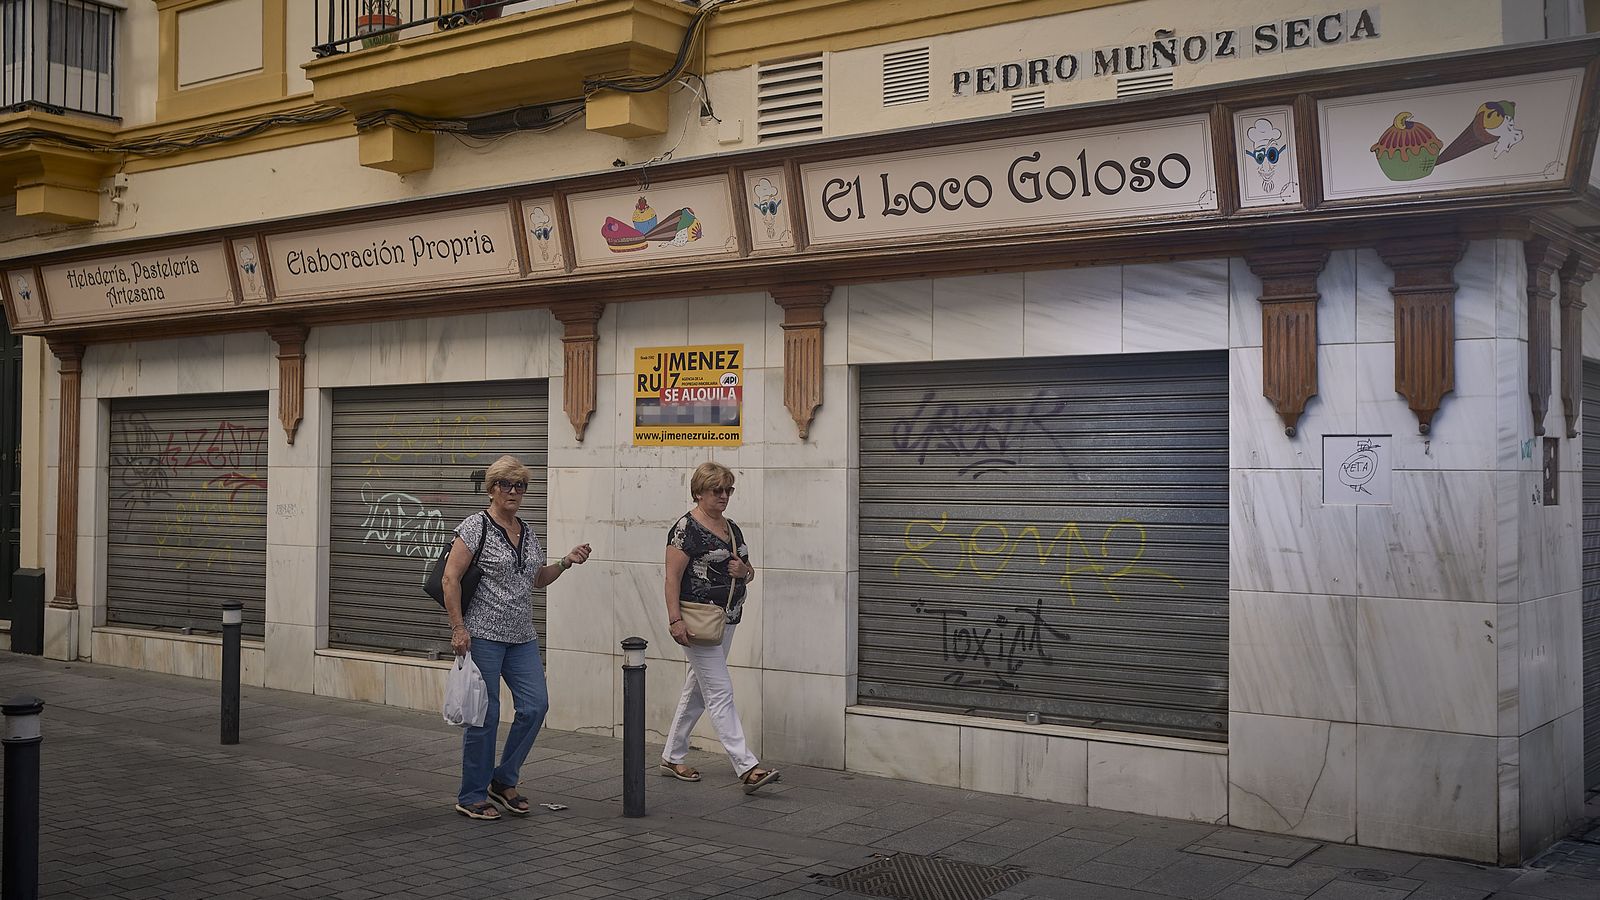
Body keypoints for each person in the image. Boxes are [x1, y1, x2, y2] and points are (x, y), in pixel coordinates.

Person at [443, 455, 592, 821]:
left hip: (522, 637)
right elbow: (450, 579)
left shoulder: (526, 530)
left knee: (535, 706)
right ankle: (472, 794)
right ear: (492, 488)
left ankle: (504, 779)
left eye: (520, 485)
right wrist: (459, 628)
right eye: (506, 485)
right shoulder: (475, 527)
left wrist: (566, 561)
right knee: (486, 715)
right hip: (483, 635)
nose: (513, 491)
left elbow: (537, 578)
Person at [660, 462, 781, 794]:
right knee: (720, 691)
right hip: (697, 621)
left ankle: (672, 755)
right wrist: (675, 619)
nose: (724, 496)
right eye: (717, 490)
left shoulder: (732, 528)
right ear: (699, 492)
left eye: (728, 490)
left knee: (698, 690)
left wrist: (745, 571)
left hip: (727, 619)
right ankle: (747, 766)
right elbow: (671, 578)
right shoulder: (686, 529)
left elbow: (750, 571)